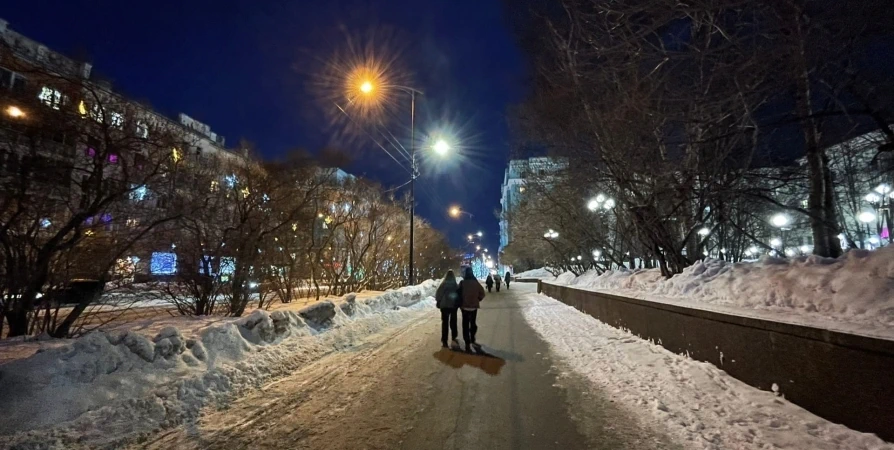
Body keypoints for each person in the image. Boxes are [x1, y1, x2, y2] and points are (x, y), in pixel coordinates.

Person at [458, 267, 486, 352]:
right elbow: (482, 293)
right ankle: (473, 339)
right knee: (473, 323)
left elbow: (458, 293)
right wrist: (478, 299)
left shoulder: (462, 283)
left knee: (465, 324)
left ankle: (467, 342)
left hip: (464, 307)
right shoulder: (476, 283)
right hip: (474, 307)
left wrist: (461, 302)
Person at [435, 270, 460, 348]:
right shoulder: (455, 285)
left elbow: (438, 294)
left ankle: (444, 340)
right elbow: (459, 294)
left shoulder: (443, 285)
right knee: (453, 323)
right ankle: (454, 339)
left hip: (444, 306)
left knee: (445, 323)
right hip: (453, 306)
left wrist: (439, 301)